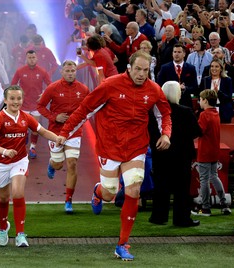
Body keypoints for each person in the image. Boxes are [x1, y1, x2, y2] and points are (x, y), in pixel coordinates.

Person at [57, 51, 172, 261]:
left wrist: (166, 133)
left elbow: (164, 113)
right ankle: (98, 192)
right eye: (137, 69)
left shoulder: (153, 89)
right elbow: (85, 109)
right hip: (110, 146)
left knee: (134, 189)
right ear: (129, 67)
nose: (141, 74)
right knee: (110, 193)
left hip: (136, 147)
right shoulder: (110, 85)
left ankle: (122, 244)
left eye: (145, 70)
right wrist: (65, 132)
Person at [0, 85, 58, 248]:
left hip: (20, 161)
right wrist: (4, 151)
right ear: (5, 100)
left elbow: (43, 131)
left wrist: (58, 138)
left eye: (19, 98)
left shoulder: (26, 117)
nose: (16, 102)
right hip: (1, 163)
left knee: (18, 193)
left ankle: (20, 234)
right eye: (12, 98)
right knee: (3, 197)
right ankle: (3, 228)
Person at [37, 60, 89, 214]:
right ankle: (52, 164)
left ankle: (68, 201)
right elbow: (40, 106)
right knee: (59, 165)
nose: (70, 73)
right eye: (67, 71)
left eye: (73, 71)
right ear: (62, 72)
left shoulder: (84, 89)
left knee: (72, 163)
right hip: (56, 131)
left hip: (74, 131)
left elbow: (89, 106)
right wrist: (54, 117)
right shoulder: (52, 88)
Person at [148, 81, 202, 227]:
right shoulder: (185, 111)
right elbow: (197, 132)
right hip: (182, 156)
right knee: (182, 188)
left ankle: (158, 217)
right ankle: (181, 219)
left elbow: (149, 132)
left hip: (161, 154)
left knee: (161, 186)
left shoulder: (154, 111)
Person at [191, 89, 232, 216]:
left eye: (201, 99)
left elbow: (198, 131)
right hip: (214, 150)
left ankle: (205, 207)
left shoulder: (204, 115)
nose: (199, 102)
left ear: (206, 101)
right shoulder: (216, 113)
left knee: (204, 179)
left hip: (204, 152)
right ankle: (224, 204)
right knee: (214, 176)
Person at [11, 50, 51, 159]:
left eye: (33, 57)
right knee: (23, 128)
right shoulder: (20, 71)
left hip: (36, 105)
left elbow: (50, 86)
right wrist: (17, 97)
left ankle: (32, 147)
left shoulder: (42, 71)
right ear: (26, 59)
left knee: (35, 128)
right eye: (29, 58)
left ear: (36, 58)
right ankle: (24, 140)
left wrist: (44, 94)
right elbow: (13, 85)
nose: (32, 59)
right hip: (23, 104)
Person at [157, 43, 198, 108]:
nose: (176, 54)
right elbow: (159, 85)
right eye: (175, 52)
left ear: (184, 54)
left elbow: (195, 87)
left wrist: (185, 88)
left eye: (179, 52)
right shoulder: (165, 68)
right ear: (172, 54)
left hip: (186, 102)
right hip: (169, 103)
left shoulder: (191, 68)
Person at [200, 59, 234, 123]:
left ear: (221, 68)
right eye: (212, 66)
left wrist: (218, 92)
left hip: (223, 110)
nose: (214, 68)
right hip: (208, 110)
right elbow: (201, 95)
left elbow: (229, 98)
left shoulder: (227, 80)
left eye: (216, 66)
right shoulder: (205, 80)